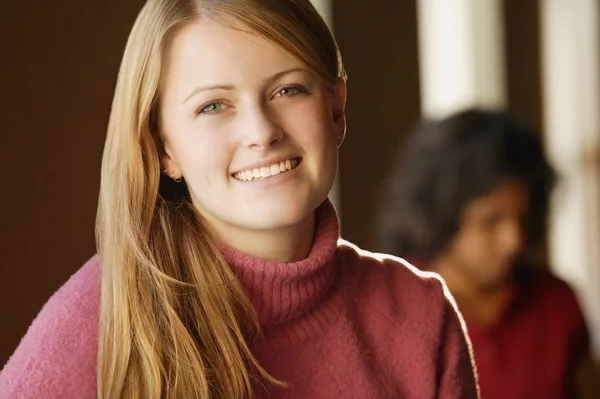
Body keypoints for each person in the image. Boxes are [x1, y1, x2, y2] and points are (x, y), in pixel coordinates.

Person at [0, 1, 479, 398]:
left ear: (336, 109)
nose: (261, 132)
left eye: (288, 89)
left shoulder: (420, 316)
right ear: (163, 148)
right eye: (213, 105)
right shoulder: (99, 324)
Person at [376, 109, 599, 399]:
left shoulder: (556, 302)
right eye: (491, 221)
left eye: (522, 218)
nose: (514, 240)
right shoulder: (390, 309)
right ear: (441, 217)